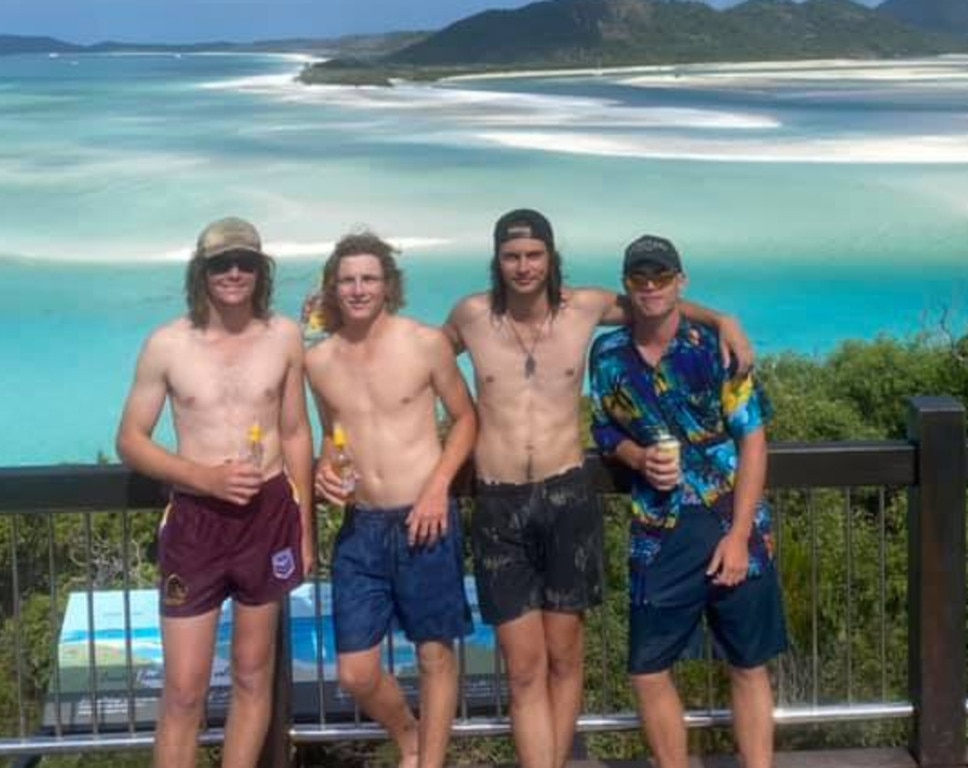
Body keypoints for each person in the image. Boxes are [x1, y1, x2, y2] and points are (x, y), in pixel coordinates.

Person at [443, 209, 754, 768]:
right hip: (497, 502)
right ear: (497, 261)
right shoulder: (470, 316)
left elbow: (652, 300)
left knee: (565, 659)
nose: (523, 267)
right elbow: (416, 360)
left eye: (534, 255)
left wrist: (721, 319)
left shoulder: (583, 309)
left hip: (567, 497)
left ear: (550, 258)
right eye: (512, 256)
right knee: (522, 668)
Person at [116, 216, 314, 768]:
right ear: (200, 272)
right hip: (197, 522)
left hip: (269, 515)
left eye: (245, 263)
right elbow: (130, 439)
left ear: (261, 271)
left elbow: (297, 432)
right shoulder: (167, 345)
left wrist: (306, 531)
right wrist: (202, 478)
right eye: (220, 263)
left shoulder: (284, 337)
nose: (233, 273)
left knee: (254, 675)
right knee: (183, 689)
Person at [589, 234, 787, 768]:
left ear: (681, 281)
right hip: (659, 530)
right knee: (648, 670)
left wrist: (740, 535)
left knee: (748, 663)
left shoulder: (715, 349)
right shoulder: (606, 355)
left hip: (732, 523)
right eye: (639, 279)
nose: (651, 288)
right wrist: (634, 456)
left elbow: (752, 439)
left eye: (661, 277)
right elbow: (604, 429)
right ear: (627, 286)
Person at [307, 231, 477, 768]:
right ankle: (408, 734)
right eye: (348, 280)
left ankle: (430, 761)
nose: (358, 289)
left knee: (435, 655)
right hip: (361, 527)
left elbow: (467, 419)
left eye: (369, 279)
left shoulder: (424, 343)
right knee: (355, 672)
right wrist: (323, 471)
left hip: (424, 516)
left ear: (388, 285)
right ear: (333, 288)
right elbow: (330, 439)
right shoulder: (319, 363)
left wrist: (437, 489)